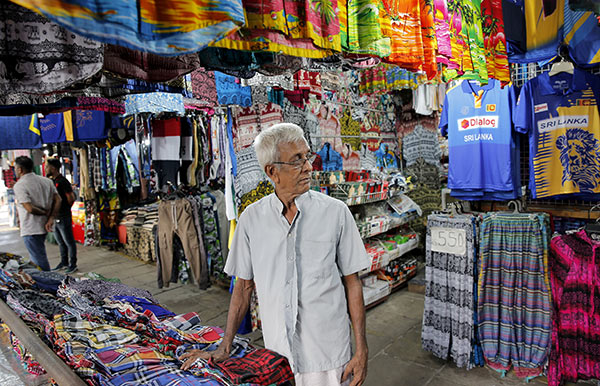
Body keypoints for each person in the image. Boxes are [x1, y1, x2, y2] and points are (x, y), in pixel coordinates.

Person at [181, 123, 370, 386]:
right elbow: (243, 287)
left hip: (329, 352)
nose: (308, 167)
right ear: (272, 171)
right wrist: (225, 347)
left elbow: (353, 283)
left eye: (307, 156)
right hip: (278, 354)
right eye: (296, 160)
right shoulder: (251, 219)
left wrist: (361, 350)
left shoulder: (336, 213)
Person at [13, 156, 61, 271]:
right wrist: (51, 217)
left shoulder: (20, 185)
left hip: (30, 227)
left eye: (15, 168)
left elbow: (29, 208)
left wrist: (45, 213)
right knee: (38, 255)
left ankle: (49, 282)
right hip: (44, 225)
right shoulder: (46, 181)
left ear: (20, 169)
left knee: (38, 259)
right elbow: (58, 199)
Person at [45, 158, 78, 273]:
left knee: (69, 241)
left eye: (47, 167)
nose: (45, 169)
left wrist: (65, 209)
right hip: (56, 216)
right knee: (60, 242)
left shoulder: (63, 181)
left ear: (53, 168)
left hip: (63, 216)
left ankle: (72, 264)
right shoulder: (52, 181)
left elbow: (71, 198)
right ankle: (64, 262)